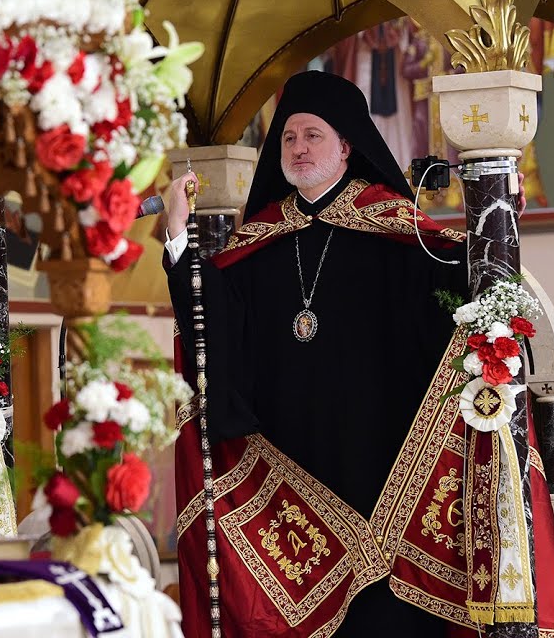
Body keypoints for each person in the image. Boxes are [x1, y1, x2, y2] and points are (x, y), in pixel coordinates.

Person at [162, 70, 531, 636]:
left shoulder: (394, 226)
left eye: (313, 135)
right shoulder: (259, 240)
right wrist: (178, 238)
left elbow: (459, 282)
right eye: (288, 138)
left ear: (346, 146)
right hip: (289, 462)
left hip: (381, 461)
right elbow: (211, 312)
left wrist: (500, 216)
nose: (299, 147)